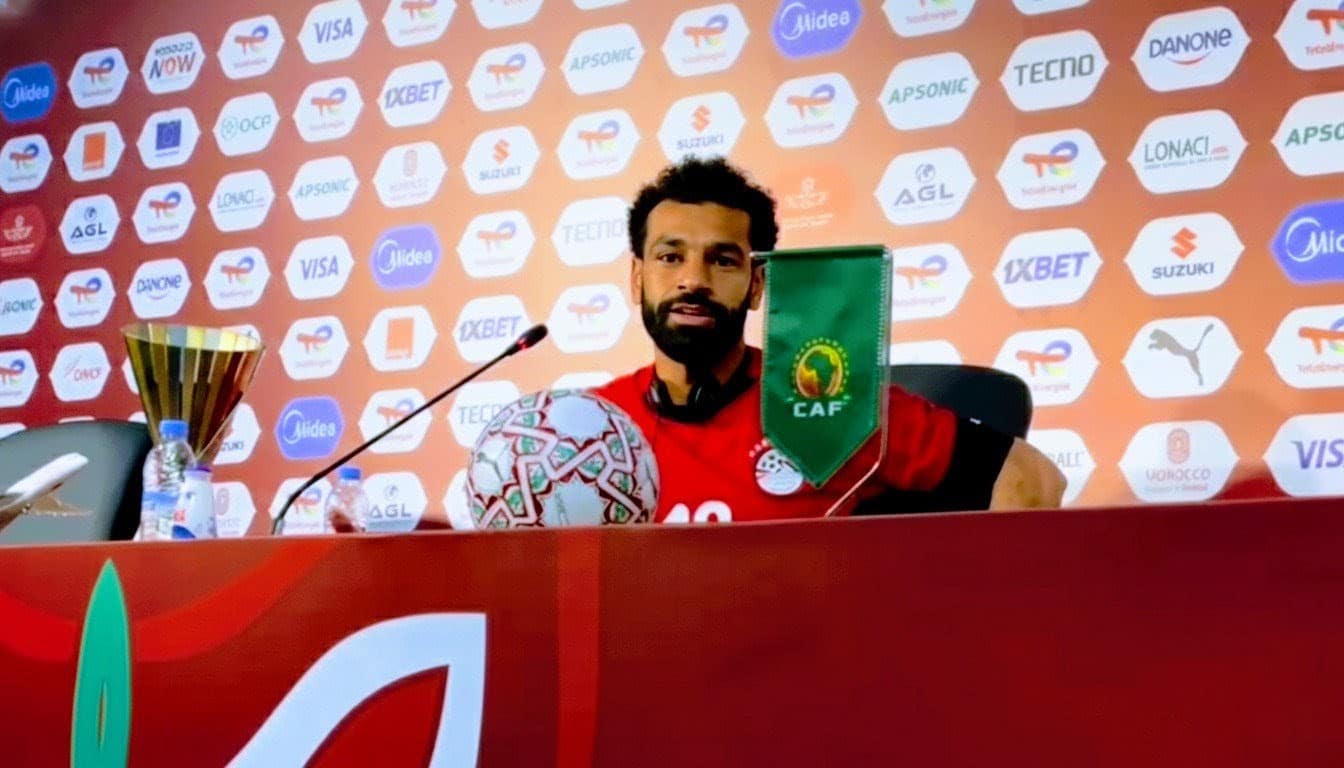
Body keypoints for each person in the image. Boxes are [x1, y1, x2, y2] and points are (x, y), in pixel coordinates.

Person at [594, 157, 1066, 523]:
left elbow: (1034, 479)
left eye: (723, 261)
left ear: (757, 285)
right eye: (670, 257)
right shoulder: (591, 426)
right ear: (637, 278)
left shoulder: (826, 403)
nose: (694, 280)